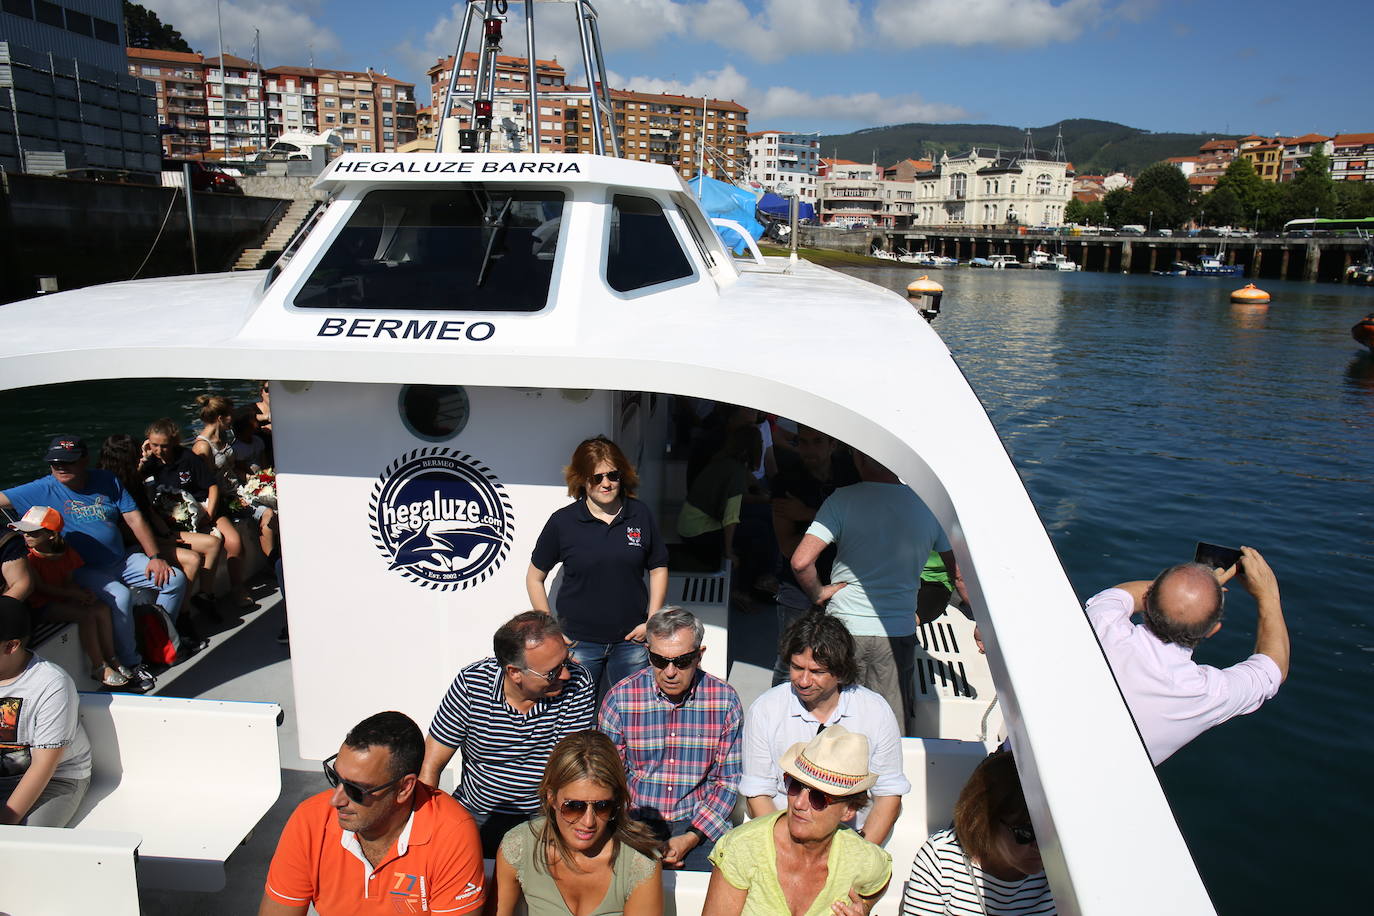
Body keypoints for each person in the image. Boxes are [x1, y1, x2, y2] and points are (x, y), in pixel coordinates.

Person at [790, 449, 966, 725]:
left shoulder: (842, 500)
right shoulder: (928, 508)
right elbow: (959, 574)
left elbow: (801, 562)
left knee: (835, 718)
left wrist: (819, 593)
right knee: (888, 721)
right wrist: (981, 623)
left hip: (843, 629)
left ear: (859, 460)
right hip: (897, 630)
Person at [1, 435, 187, 692]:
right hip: (83, 568)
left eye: (68, 462)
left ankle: (155, 637)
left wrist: (155, 558)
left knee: (173, 579)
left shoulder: (106, 480)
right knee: (120, 597)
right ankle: (133, 663)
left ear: (85, 460)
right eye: (55, 463)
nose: (61, 468)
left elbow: (134, 519)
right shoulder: (42, 487)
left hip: (121, 559)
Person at [261, 711, 485, 916]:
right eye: (335, 778)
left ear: (405, 788)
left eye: (356, 789)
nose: (336, 800)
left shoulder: (452, 833)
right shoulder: (310, 820)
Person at [1086, 546, 1288, 764]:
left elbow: (1121, 596)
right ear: (1212, 630)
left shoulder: (1102, 623)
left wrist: (1193, 585)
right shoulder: (1205, 694)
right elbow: (1273, 668)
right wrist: (1268, 596)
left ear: (1148, 599)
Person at [421, 611, 596, 857]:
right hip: (477, 814)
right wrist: (422, 829)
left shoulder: (577, 684)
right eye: (552, 672)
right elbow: (432, 763)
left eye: (566, 662)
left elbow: (569, 770)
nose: (565, 675)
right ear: (514, 673)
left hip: (544, 817)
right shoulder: (472, 685)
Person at [740, 612, 907, 846]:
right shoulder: (765, 709)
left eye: (816, 672)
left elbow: (889, 794)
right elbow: (757, 792)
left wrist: (860, 854)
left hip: (854, 837)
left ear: (840, 673)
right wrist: (787, 852)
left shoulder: (875, 710)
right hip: (784, 838)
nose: (804, 680)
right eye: (797, 668)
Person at [598, 607, 742, 871]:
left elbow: (727, 780)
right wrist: (632, 830)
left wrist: (692, 836)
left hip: (698, 822)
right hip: (635, 820)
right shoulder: (621, 698)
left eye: (682, 661)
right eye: (659, 660)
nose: (670, 671)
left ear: (699, 656)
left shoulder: (725, 700)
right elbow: (610, 778)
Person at [527, 437, 668, 691]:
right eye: (597, 477)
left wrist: (652, 620)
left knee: (629, 715)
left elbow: (658, 567)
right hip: (579, 644)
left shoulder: (640, 514)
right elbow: (534, 578)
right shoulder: (563, 522)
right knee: (577, 718)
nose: (606, 483)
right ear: (582, 479)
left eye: (613, 475)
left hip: (631, 641)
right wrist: (550, 630)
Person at [703, 725, 891, 916]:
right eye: (794, 786)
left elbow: (882, 875)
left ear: (849, 810)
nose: (799, 803)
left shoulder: (860, 857)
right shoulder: (742, 848)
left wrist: (864, 908)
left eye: (818, 797)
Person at [488, 730, 663, 916]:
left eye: (603, 806)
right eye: (574, 807)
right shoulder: (518, 847)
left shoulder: (640, 863)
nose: (588, 821)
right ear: (551, 798)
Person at [902, 751, 1055, 915]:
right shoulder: (941, 859)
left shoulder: (1065, 866)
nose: (1041, 845)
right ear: (986, 822)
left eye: (1050, 829)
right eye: (1026, 833)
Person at [768, 424, 859, 683]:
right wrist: (841, 530)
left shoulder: (851, 474)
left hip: (843, 584)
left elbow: (861, 527)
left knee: (840, 660)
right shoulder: (785, 482)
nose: (809, 450)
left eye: (817, 442)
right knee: (789, 662)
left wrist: (807, 514)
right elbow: (787, 546)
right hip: (796, 588)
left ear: (832, 444)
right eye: (803, 442)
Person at [98, 433, 222, 618]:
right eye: (137, 455)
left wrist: (167, 535)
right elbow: (126, 530)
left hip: (155, 534)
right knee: (192, 559)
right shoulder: (110, 487)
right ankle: (183, 615)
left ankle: (204, 596)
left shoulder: (133, 479)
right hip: (136, 543)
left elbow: (150, 511)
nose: (142, 457)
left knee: (212, 544)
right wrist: (163, 542)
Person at [0, 595, 93, 827]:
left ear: (11, 646)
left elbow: (44, 765)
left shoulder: (51, 684)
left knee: (22, 847)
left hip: (55, 778)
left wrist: (5, 826)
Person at [11, 507, 129, 689]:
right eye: (23, 532)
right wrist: (74, 594)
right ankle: (99, 667)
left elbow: (68, 580)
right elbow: (41, 588)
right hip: (40, 605)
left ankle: (112, 657)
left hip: (61, 597)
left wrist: (82, 594)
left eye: (32, 532)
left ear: (51, 535)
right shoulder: (27, 557)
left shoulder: (65, 552)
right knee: (86, 616)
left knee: (101, 608)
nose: (26, 536)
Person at [141, 418, 233, 625]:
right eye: (154, 445)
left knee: (215, 541)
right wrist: (143, 459)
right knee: (200, 552)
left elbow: (211, 485)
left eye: (164, 446)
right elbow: (134, 487)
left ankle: (205, 595)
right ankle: (185, 613)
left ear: (173, 442)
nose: (159, 450)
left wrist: (208, 514)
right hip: (162, 525)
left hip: (188, 518)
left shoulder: (187, 459)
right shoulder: (149, 465)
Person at [188, 401, 256, 609]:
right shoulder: (202, 447)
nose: (232, 420)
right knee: (234, 542)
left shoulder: (223, 438)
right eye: (230, 415)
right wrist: (212, 512)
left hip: (234, 493)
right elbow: (204, 484)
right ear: (220, 417)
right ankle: (238, 589)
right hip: (217, 502)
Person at [676, 425, 760, 572]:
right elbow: (730, 519)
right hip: (698, 534)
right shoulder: (735, 472)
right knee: (761, 530)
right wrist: (729, 554)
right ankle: (748, 585)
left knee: (758, 516)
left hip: (687, 527)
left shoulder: (722, 460)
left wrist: (763, 498)